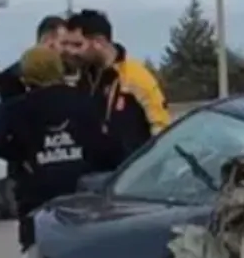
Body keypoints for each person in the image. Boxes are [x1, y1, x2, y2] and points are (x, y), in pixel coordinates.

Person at [0, 46, 123, 249]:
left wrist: (21, 155)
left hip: (37, 200)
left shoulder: (18, 107)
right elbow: (107, 146)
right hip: (82, 197)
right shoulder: (85, 101)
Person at [61, 9, 170, 157]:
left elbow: (161, 127)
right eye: (67, 44)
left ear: (99, 42)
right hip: (93, 173)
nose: (71, 52)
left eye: (77, 45)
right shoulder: (84, 78)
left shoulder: (135, 76)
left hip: (132, 172)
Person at [0, 15, 68, 103]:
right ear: (48, 40)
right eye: (64, 43)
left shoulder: (69, 70)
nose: (68, 49)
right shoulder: (12, 77)